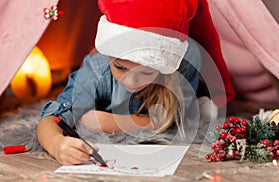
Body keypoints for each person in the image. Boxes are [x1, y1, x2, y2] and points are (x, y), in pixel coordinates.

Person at [37, 0, 235, 165]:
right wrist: (56, 144)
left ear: (163, 66)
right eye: (120, 67)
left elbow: (175, 119)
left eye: (146, 71)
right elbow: (52, 118)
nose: (130, 81)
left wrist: (107, 121)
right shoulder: (96, 70)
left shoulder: (182, 65)